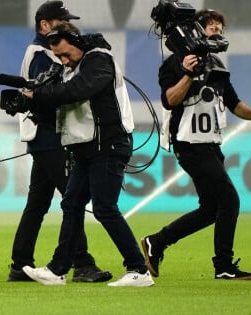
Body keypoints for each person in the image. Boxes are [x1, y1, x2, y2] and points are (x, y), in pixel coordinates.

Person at [12, 21, 154, 287]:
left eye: (67, 54)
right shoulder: (74, 67)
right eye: (59, 56)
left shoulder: (99, 59)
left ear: (77, 43)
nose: (64, 61)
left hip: (108, 145)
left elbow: (77, 92)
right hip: (86, 147)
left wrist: (40, 95)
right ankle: (58, 270)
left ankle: (139, 270)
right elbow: (65, 100)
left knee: (104, 208)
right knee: (71, 205)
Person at [141, 9, 251, 280]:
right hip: (189, 144)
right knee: (230, 200)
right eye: (210, 25)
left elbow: (233, 103)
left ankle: (157, 242)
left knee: (211, 209)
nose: (216, 30)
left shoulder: (218, 65)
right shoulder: (175, 63)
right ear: (195, 31)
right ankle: (223, 266)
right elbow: (170, 100)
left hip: (210, 144)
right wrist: (188, 74)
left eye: (219, 26)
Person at [7, 0, 112, 283]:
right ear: (45, 25)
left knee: (38, 203)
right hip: (50, 134)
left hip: (45, 136)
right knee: (73, 198)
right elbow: (52, 93)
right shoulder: (43, 52)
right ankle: (82, 263)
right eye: (61, 22)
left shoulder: (43, 49)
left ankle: (20, 264)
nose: (67, 28)